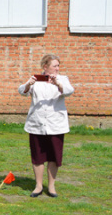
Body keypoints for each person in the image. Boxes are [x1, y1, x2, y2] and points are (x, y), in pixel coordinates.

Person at [18, 54, 75, 198]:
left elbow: (70, 90)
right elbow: (21, 91)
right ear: (45, 67)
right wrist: (28, 85)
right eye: (54, 66)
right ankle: (38, 186)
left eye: (58, 66)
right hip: (36, 123)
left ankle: (51, 187)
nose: (57, 68)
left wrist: (58, 84)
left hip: (55, 124)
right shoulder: (36, 79)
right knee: (38, 155)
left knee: (54, 156)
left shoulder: (62, 79)